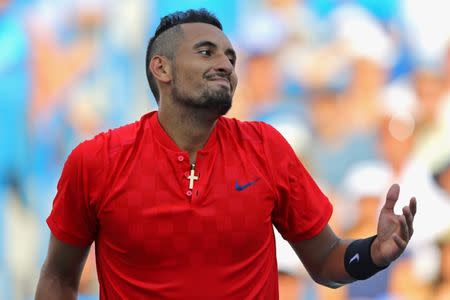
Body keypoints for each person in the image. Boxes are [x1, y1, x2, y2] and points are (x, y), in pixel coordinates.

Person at [35, 9, 417, 300]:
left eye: (231, 58)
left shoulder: (267, 147)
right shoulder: (96, 160)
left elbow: (325, 260)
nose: (225, 65)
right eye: (207, 52)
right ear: (161, 67)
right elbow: (57, 277)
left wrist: (374, 252)